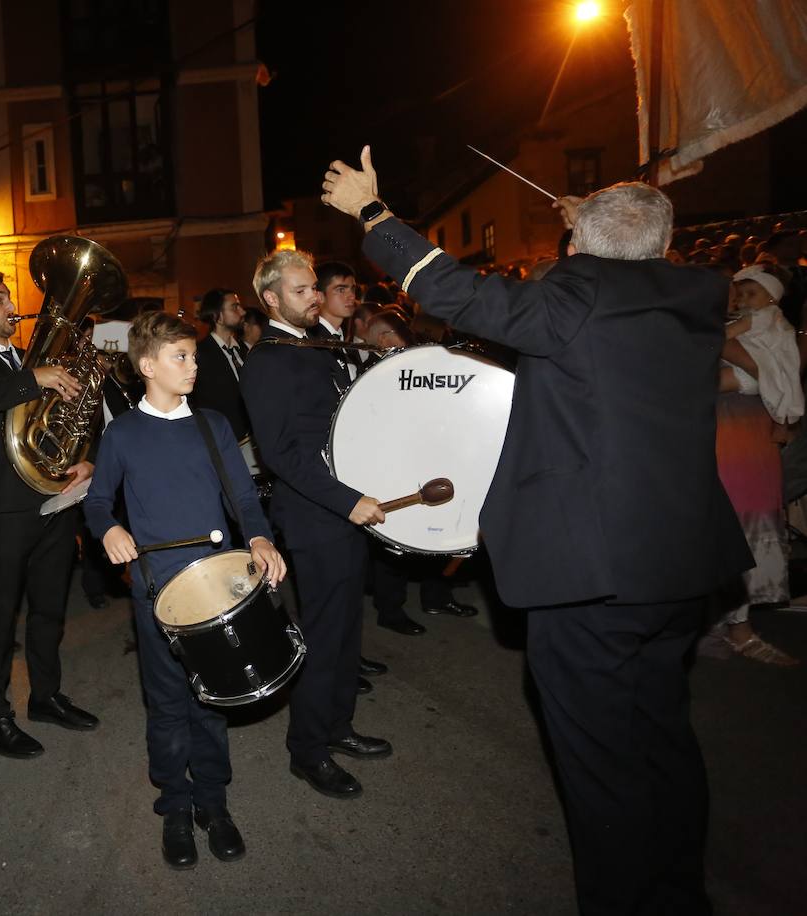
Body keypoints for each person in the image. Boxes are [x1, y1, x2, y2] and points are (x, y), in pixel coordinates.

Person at [323, 148, 751, 915]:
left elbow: (457, 291)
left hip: (595, 572)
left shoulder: (577, 289)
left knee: (599, 763)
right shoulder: (696, 294)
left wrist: (372, 214)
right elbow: (636, 258)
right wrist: (595, 228)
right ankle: (679, 893)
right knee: (662, 737)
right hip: (680, 564)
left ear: (581, 249)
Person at [86, 310, 286, 869]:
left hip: (216, 586)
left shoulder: (213, 425)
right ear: (147, 366)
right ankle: (175, 805)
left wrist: (263, 541)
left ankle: (213, 805)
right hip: (157, 591)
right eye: (181, 357)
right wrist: (110, 528)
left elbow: (245, 500)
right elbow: (99, 501)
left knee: (212, 703)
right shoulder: (122, 433)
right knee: (170, 704)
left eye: (195, 356)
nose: (193, 365)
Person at [239, 250, 393, 801]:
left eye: (313, 288)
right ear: (272, 299)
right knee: (323, 636)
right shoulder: (268, 360)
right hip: (315, 514)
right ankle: (307, 750)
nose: (314, 297)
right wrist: (346, 500)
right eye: (302, 290)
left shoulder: (317, 349)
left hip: (344, 508)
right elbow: (281, 454)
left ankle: (337, 726)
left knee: (347, 629)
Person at [0, 270, 99, 758]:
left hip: (55, 496)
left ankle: (46, 697)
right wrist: (33, 378)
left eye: (10, 297)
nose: (10, 306)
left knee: (50, 607)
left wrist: (88, 456)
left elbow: (78, 415)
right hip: (5, 506)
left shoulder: (38, 358)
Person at [705, 266, 803, 664]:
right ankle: (721, 625)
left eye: (746, 292)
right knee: (722, 530)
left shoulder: (773, 329)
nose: (739, 299)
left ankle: (738, 626)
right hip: (720, 446)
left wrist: (758, 375)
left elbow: (775, 371)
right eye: (735, 291)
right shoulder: (712, 329)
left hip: (750, 450)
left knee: (748, 530)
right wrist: (758, 374)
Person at [189, 288, 251, 442]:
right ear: (218, 316)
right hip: (224, 441)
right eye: (235, 307)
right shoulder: (199, 354)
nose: (242, 312)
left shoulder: (244, 350)